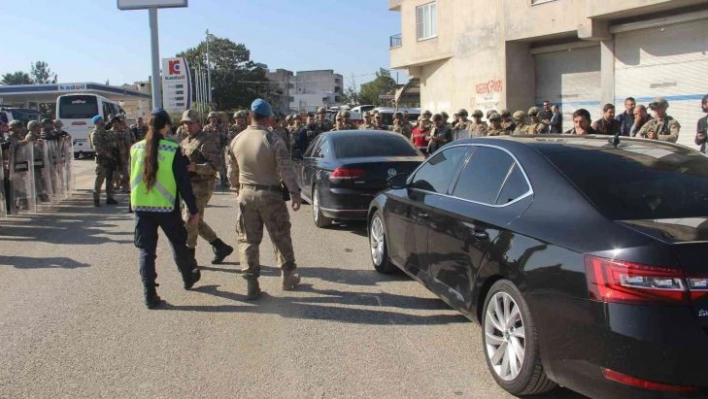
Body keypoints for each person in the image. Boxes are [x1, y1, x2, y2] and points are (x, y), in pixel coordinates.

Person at [228, 99, 302, 300]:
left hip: (246, 194)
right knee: (280, 235)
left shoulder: (237, 139)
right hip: (270, 194)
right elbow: (286, 170)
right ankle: (288, 277)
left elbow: (231, 172)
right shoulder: (274, 139)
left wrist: (237, 189)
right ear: (268, 118)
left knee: (248, 240)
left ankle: (252, 285)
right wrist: (295, 194)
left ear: (250, 116)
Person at [130, 109, 202, 309]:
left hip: (141, 207)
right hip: (166, 206)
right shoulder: (172, 149)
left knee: (146, 251)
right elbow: (183, 182)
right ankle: (188, 277)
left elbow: (131, 176)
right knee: (179, 244)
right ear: (166, 126)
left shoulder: (135, 148)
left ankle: (149, 295)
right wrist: (193, 208)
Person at [179, 109, 234, 265]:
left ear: (198, 123)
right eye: (185, 123)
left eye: (190, 123)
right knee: (197, 220)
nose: (187, 126)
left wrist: (196, 168)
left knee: (190, 220)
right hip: (188, 186)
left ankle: (190, 258)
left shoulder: (206, 140)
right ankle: (220, 246)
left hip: (203, 185)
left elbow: (215, 165)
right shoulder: (185, 141)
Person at [89, 115, 119, 206]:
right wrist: (108, 154)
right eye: (101, 120)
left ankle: (110, 198)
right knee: (99, 180)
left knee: (110, 179)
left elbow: (113, 143)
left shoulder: (105, 132)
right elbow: (97, 148)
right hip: (102, 161)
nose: (103, 121)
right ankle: (96, 199)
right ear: (97, 122)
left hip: (110, 160)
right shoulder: (95, 134)